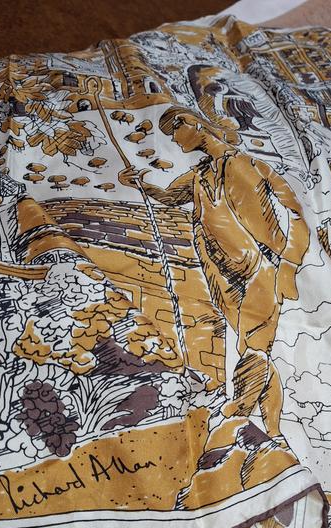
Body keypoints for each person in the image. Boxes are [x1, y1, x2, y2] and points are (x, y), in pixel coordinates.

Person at [118, 106, 310, 443]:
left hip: (260, 267)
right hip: (222, 273)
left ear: (192, 123)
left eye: (174, 131)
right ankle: (274, 431)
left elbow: (294, 213)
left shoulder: (247, 165)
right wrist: (141, 185)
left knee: (255, 347)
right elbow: (170, 197)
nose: (174, 141)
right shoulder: (200, 175)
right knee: (254, 349)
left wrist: (289, 265)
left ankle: (238, 413)